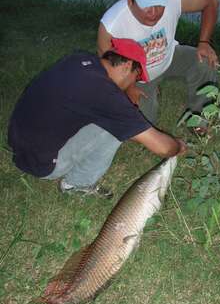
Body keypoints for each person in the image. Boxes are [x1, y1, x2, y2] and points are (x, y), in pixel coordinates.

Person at [8, 38, 187, 199]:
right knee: (116, 128)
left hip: (20, 144)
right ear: (126, 67)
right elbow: (163, 148)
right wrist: (177, 146)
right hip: (41, 163)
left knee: (107, 118)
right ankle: (76, 184)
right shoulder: (104, 94)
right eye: (136, 77)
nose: (134, 83)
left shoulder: (79, 60)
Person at [98, 0, 220, 134]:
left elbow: (211, 2)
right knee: (143, 125)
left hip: (169, 57)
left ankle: (199, 119)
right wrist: (128, 87)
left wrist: (204, 42)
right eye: (147, 5)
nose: (154, 12)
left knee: (205, 61)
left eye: (159, 4)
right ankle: (150, 91)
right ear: (130, 0)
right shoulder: (112, 24)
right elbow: (107, 70)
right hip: (137, 77)